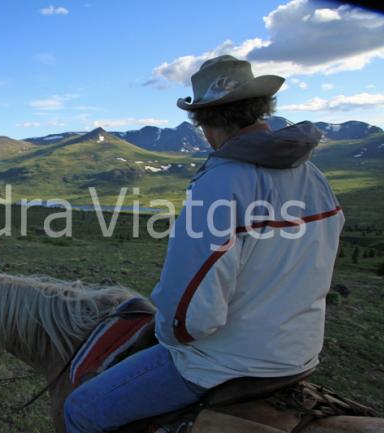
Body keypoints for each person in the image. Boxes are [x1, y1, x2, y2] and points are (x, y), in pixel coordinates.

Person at [63, 55, 344, 433]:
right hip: (300, 353)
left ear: (205, 122)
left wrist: (165, 331)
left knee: (80, 410)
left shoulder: (220, 184)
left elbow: (191, 317)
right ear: (263, 109)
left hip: (227, 362)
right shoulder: (312, 175)